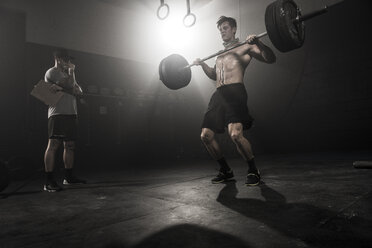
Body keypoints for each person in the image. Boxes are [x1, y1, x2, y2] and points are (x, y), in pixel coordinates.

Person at [194, 16, 276, 186]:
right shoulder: (218, 54)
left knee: (236, 135)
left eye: (225, 28)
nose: (222, 31)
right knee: (205, 136)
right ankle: (225, 170)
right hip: (218, 95)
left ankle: (253, 170)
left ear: (233, 29)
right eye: (220, 29)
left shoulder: (246, 46)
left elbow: (270, 58)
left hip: (235, 92)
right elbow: (214, 75)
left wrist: (258, 43)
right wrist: (202, 64)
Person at [43, 48, 86, 192]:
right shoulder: (52, 72)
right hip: (57, 113)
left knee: (70, 145)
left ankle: (69, 177)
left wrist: (70, 83)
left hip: (71, 113)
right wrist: (72, 73)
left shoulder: (67, 75)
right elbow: (70, 86)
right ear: (59, 59)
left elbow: (79, 90)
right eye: (67, 59)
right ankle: (48, 181)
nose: (69, 63)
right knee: (54, 144)